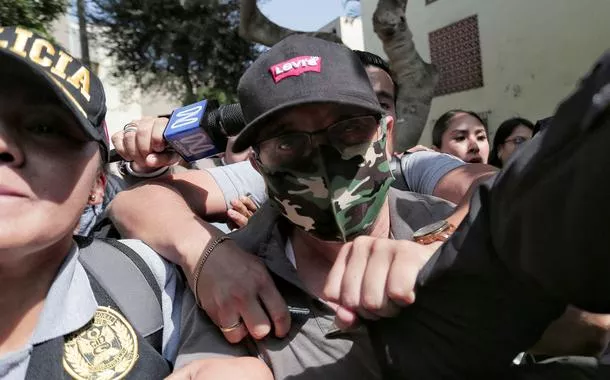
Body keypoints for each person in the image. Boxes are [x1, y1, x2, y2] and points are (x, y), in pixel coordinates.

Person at [113, 34, 465, 379]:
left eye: (349, 129)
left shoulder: (453, 227)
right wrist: (207, 254)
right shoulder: (233, 279)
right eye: (287, 142)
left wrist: (446, 251)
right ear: (257, 164)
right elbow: (134, 200)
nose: (322, 159)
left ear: (385, 135)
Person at [0, 26, 259, 379]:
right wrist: (202, 248)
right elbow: (138, 203)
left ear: (97, 184)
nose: (3, 145)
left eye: (44, 128)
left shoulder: (149, 287)